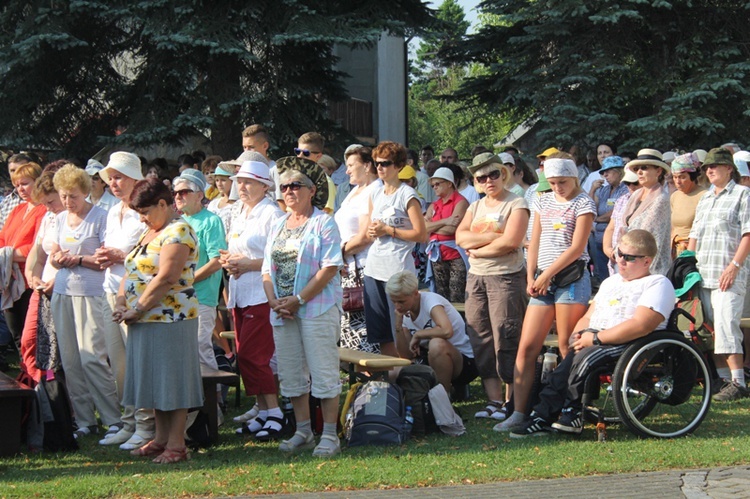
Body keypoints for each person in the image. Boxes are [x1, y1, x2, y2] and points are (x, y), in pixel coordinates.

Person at [510, 230, 676, 437]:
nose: (621, 261)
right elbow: (589, 316)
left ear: (647, 261)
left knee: (585, 359)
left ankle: (569, 411)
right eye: (618, 254)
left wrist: (596, 338)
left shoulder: (658, 284)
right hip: (596, 337)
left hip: (631, 342)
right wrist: (578, 334)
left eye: (629, 258)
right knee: (567, 362)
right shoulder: (610, 282)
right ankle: (543, 415)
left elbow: (642, 325)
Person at [497, 157, 595, 432]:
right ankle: (518, 411)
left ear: (574, 178)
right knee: (527, 347)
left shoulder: (584, 203)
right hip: (542, 279)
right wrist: (531, 275)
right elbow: (534, 240)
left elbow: (577, 248)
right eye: (552, 183)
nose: (557, 188)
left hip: (570, 279)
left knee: (567, 345)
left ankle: (569, 408)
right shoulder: (542, 199)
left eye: (562, 182)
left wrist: (545, 274)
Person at [114, 178, 202, 464]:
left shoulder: (179, 231)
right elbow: (132, 269)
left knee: (172, 382)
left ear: (163, 204)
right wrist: (120, 302)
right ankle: (161, 439)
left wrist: (137, 308)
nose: (142, 218)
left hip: (171, 319)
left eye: (146, 211)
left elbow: (167, 276)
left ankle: (177, 445)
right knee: (156, 382)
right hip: (144, 318)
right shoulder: (150, 231)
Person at [261, 158, 344, 458]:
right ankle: (303, 430)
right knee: (291, 373)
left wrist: (299, 299)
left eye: (296, 185)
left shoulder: (324, 222)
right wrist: (274, 301)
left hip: (316, 308)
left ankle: (330, 435)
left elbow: (331, 267)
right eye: (284, 187)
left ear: (311, 191)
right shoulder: (279, 223)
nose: (289, 191)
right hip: (282, 310)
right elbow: (266, 270)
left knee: (323, 373)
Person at [49, 164, 121, 439]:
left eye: (74, 196)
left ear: (86, 192)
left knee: (92, 357)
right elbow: (54, 251)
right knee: (70, 360)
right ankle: (84, 420)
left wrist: (77, 259)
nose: (68, 202)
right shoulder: (58, 219)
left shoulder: (101, 217)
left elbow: (104, 259)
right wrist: (58, 259)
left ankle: (112, 417)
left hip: (91, 294)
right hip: (63, 292)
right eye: (64, 196)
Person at [456, 153, 529, 421]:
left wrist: (479, 249)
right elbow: (460, 237)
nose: (489, 181)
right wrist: (489, 237)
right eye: (481, 177)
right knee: (481, 337)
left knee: (506, 336)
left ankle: (512, 402)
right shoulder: (474, 207)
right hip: (476, 278)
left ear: (503, 173)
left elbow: (511, 241)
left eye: (493, 174)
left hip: (506, 277)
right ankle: (493, 400)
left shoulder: (517, 203)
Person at [219, 161, 284, 438]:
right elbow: (237, 249)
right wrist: (228, 261)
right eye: (240, 181)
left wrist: (247, 265)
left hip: (261, 292)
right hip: (240, 292)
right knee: (245, 357)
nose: (241, 187)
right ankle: (262, 410)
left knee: (255, 356)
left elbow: (279, 257)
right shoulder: (240, 211)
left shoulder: (272, 213)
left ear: (264, 185)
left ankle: (275, 412)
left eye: (248, 182)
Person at [94, 151, 155, 450]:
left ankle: (146, 424)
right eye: (110, 178)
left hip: (136, 295)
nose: (113, 183)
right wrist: (104, 255)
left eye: (119, 177)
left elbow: (150, 251)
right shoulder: (111, 210)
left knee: (138, 361)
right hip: (110, 289)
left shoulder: (142, 212)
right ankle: (129, 421)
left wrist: (120, 256)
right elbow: (112, 248)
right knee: (119, 363)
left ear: (135, 179)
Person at [688, 148, 750, 401]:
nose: (710, 170)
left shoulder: (742, 194)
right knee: (710, 329)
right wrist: (687, 268)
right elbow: (694, 236)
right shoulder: (705, 198)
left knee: (727, 326)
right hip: (703, 272)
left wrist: (734, 266)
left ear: (729, 169)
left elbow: (748, 234)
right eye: (706, 168)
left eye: (715, 166)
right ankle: (723, 380)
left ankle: (739, 382)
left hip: (729, 273)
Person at [363, 141, 427, 357]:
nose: (379, 168)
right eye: (376, 163)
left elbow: (421, 234)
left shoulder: (407, 194)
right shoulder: (375, 193)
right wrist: (374, 232)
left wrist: (388, 230)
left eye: (385, 163)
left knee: (399, 328)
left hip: (397, 269)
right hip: (373, 268)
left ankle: (407, 378)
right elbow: (373, 228)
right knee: (381, 332)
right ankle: (389, 378)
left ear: (398, 166)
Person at [387, 271, 478, 394]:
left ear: (415, 293)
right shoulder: (404, 312)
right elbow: (406, 356)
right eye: (394, 301)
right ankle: (411, 402)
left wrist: (419, 334)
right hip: (429, 360)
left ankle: (443, 397)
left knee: (436, 344)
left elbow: (446, 331)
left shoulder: (431, 301)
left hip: (464, 362)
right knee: (392, 372)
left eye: (401, 301)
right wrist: (398, 326)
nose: (397, 306)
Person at [20, 167, 65, 384]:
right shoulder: (49, 217)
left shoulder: (74, 217)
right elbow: (37, 255)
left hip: (64, 289)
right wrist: (32, 275)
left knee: (59, 350)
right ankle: (33, 389)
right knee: (29, 341)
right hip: (41, 289)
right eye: (45, 203)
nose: (49, 207)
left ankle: (58, 401)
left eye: (52, 201)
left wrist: (56, 281)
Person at [333, 146, 379, 353]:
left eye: (351, 165)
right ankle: (357, 378)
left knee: (365, 327)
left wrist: (337, 254)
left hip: (365, 267)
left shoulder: (373, 190)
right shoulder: (353, 192)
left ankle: (373, 377)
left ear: (367, 165)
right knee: (350, 325)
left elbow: (365, 236)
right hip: (348, 267)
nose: (347, 170)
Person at [0, 161, 46, 352]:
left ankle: (36, 378)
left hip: (28, 281)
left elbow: (37, 247)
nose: (20, 189)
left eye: (25, 183)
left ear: (38, 182)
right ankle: (25, 374)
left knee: (30, 337)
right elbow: (2, 238)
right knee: (16, 333)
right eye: (17, 185)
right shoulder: (17, 210)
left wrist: (7, 255)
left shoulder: (44, 210)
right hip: (9, 280)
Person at [621, 149, 672, 275]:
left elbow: (649, 237)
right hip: (628, 259)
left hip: (649, 267)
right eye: (637, 168)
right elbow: (623, 225)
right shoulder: (636, 194)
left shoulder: (661, 198)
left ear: (658, 171)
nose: (639, 172)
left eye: (644, 167)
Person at [425, 167, 469, 302]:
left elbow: (452, 229)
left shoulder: (461, 201)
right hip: (437, 255)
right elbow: (423, 227)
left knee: (457, 295)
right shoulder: (434, 204)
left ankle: (461, 322)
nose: (434, 188)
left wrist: (432, 227)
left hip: (456, 255)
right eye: (433, 185)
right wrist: (445, 221)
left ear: (449, 183)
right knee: (441, 296)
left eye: (438, 184)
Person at [589, 156, 628, 283]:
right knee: (602, 273)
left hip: (615, 238)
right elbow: (590, 206)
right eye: (603, 172)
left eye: (608, 171)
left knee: (616, 273)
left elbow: (616, 212)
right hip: (599, 237)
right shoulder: (604, 190)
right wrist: (593, 189)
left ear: (618, 171)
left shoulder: (626, 189)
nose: (604, 175)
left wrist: (597, 219)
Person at [603, 166, 640, 275]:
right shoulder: (622, 200)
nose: (631, 186)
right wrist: (608, 249)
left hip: (636, 260)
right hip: (615, 257)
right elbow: (611, 227)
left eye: (635, 183)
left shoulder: (651, 200)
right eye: (628, 183)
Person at [670, 153, 706, 259]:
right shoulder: (675, 196)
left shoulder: (704, 196)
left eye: (682, 177)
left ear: (692, 176)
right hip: (675, 250)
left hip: (695, 251)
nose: (678, 181)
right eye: (675, 177)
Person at [206, 163, 235, 235]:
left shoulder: (239, 204)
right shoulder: (213, 203)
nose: (219, 184)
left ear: (232, 181)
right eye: (217, 180)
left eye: (223, 180)